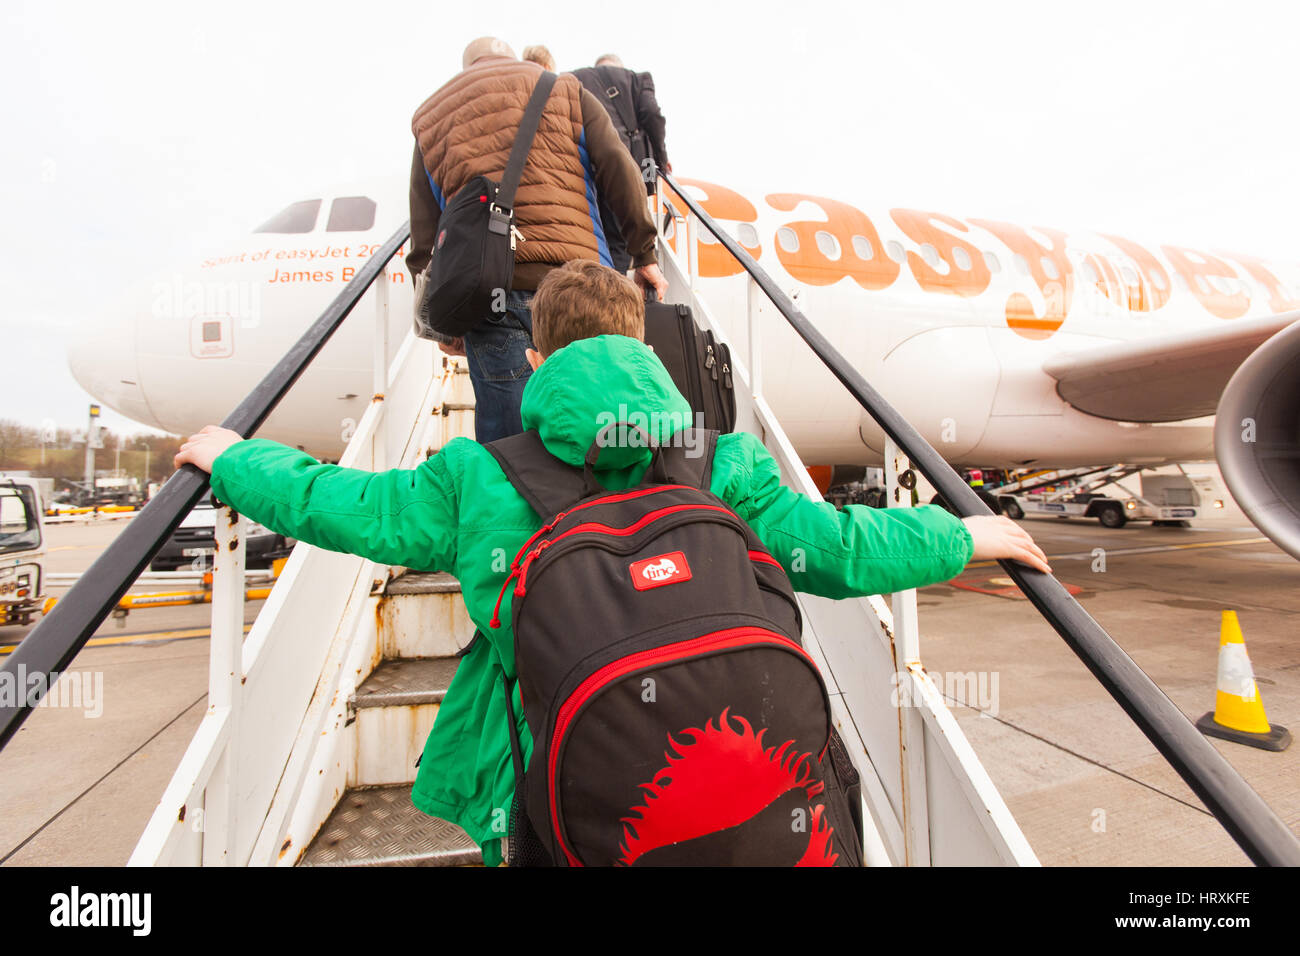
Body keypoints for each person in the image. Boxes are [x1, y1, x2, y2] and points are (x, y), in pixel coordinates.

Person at [174, 260, 1051, 867]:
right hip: (737, 781)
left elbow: (340, 504)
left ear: (534, 359)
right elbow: (835, 548)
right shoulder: (722, 461)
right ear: (646, 347)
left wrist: (239, 458)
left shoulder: (476, 477)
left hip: (550, 775)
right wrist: (963, 534)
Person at [406, 37, 667, 443]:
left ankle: (515, 503)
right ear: (511, 57)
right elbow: (619, 167)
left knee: (510, 442)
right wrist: (644, 252)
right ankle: (597, 503)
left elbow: (425, 237)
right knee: (596, 421)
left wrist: (441, 325)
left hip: (491, 292)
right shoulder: (563, 88)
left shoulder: (431, 116)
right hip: (579, 285)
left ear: (466, 66)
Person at [572, 54, 672, 274]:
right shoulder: (637, 80)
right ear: (621, 67)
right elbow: (652, 115)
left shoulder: (574, 79)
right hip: (620, 165)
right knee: (618, 240)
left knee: (589, 234)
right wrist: (661, 160)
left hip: (580, 166)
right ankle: (608, 292)